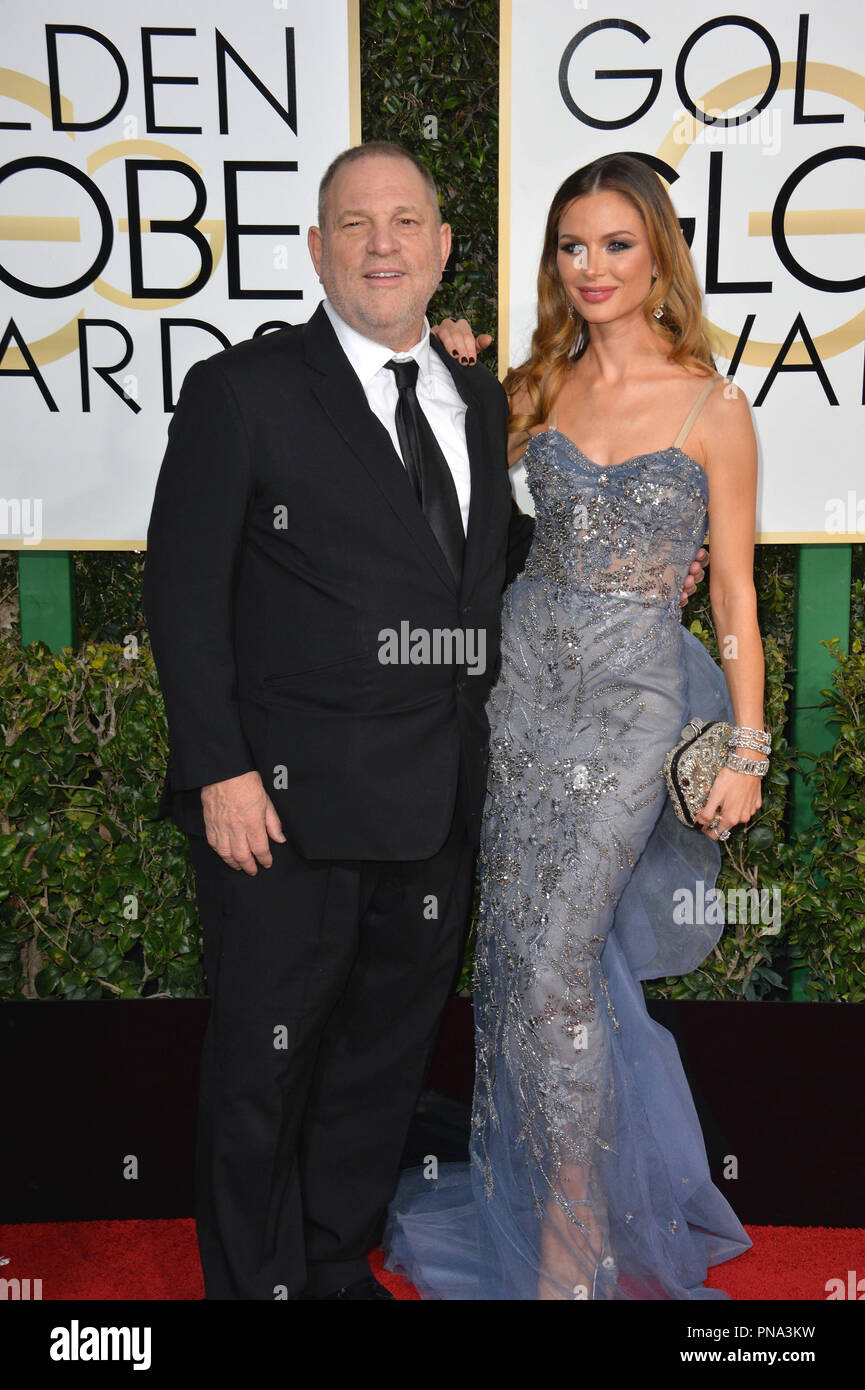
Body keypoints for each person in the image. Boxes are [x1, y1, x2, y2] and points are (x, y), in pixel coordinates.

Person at [143, 141, 704, 1302]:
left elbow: (503, 566)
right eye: (355, 224)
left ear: (445, 248)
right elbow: (180, 589)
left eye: (407, 221)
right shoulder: (243, 390)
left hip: (444, 799)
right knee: (263, 1066)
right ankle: (253, 1287)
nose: (383, 244)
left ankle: (334, 1262)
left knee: (377, 1062)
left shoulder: (478, 396)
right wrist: (221, 771)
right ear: (316, 247)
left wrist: (652, 569)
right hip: (284, 809)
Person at [382, 152, 761, 1299]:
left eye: (614, 245)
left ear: (658, 259)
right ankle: (549, 1206)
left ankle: (568, 1242)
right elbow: (445, 511)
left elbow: (737, 592)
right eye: (570, 246)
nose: (589, 268)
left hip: (634, 706)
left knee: (556, 963)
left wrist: (747, 743)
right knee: (518, 967)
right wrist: (442, 377)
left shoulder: (713, 405)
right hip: (524, 691)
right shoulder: (533, 387)